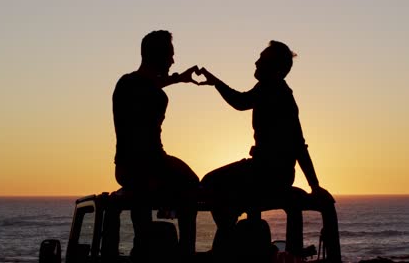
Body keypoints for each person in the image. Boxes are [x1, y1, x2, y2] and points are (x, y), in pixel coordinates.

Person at [198, 40, 332, 257]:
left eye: (262, 59)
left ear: (274, 67)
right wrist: (215, 82)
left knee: (210, 182)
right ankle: (233, 241)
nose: (256, 62)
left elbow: (298, 144)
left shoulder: (279, 93)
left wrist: (314, 185)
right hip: (266, 170)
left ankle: (228, 244)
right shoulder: (268, 88)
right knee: (218, 189)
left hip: (269, 174)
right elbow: (240, 101)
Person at [112, 30, 200, 259]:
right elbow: (150, 90)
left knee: (141, 203)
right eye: (170, 55)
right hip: (147, 164)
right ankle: (185, 253)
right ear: (159, 56)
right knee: (192, 185)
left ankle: (144, 246)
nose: (173, 60)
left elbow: (147, 85)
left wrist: (178, 78)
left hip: (124, 168)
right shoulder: (155, 95)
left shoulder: (125, 83)